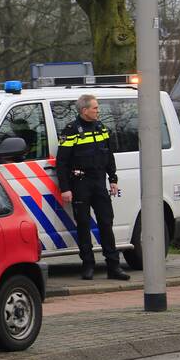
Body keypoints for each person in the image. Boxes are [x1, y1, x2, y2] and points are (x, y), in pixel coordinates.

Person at [56, 94, 130, 281]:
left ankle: (113, 266)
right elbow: (62, 162)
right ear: (84, 110)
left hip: (99, 182)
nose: (98, 111)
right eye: (95, 108)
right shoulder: (71, 131)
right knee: (83, 225)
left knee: (106, 223)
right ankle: (88, 265)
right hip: (80, 183)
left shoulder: (101, 128)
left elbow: (109, 155)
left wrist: (113, 178)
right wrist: (65, 188)